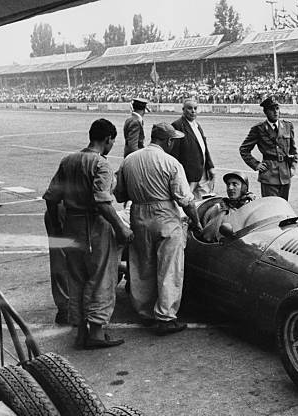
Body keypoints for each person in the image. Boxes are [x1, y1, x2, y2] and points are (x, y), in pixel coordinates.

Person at [44, 118, 134, 349]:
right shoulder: (100, 164)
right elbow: (102, 202)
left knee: (76, 278)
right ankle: (96, 332)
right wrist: (120, 228)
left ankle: (80, 331)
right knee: (102, 278)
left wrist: (56, 227)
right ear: (107, 140)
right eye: (112, 141)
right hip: (94, 225)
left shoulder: (68, 160)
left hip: (71, 226)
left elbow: (52, 197)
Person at [114, 123, 202, 335]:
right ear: (168, 141)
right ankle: (165, 317)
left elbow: (119, 195)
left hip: (138, 213)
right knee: (169, 267)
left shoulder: (130, 160)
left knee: (142, 265)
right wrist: (197, 223)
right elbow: (186, 200)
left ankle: (145, 312)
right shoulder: (171, 162)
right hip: (164, 214)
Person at [239, 96, 297, 200]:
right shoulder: (258, 129)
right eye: (272, 109)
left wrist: (292, 167)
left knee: (284, 207)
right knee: (271, 208)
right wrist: (256, 165)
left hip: (285, 174)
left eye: (277, 108)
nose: (275, 112)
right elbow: (244, 149)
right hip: (269, 175)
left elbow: (293, 150)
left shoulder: (288, 126)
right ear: (266, 112)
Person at [171, 98, 216, 199]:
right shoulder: (177, 125)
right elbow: (175, 154)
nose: (193, 111)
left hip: (202, 172)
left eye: (195, 108)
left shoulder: (197, 125)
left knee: (203, 201)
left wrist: (210, 166)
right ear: (183, 109)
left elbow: (204, 148)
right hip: (188, 175)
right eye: (190, 108)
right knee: (188, 202)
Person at [200, 171, 256, 242]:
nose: (230, 188)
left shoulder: (252, 206)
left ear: (243, 188)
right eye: (228, 185)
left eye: (234, 184)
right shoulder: (218, 208)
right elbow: (207, 236)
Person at [43, 204, 69, 324]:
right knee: (61, 261)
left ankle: (68, 308)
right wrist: (56, 223)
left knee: (64, 260)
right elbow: (51, 196)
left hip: (70, 211)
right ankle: (66, 309)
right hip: (65, 211)